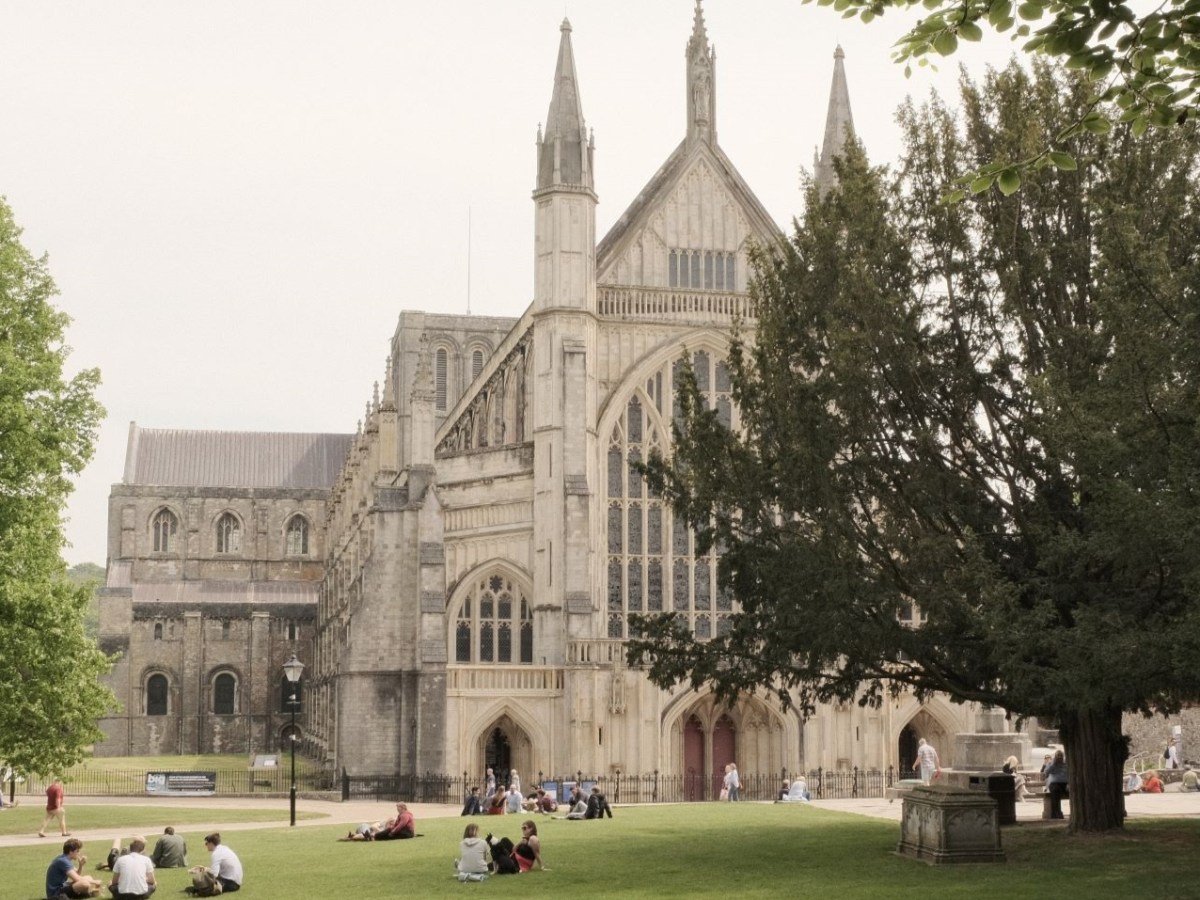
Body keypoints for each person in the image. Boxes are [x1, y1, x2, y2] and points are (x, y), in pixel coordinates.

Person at [1045, 750, 1069, 819]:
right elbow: (1046, 772)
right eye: (1058, 755)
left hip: (1065, 784)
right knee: (1056, 791)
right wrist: (1053, 764)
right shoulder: (1051, 764)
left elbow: (1069, 774)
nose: (1059, 757)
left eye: (1061, 755)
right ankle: (1056, 813)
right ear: (1055, 756)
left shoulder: (1066, 764)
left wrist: (1069, 784)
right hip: (1054, 783)